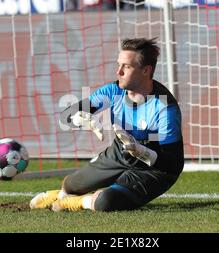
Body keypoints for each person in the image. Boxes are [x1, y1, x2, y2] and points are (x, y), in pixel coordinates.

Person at [30, 37, 184, 212]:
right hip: (119, 154)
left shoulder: (164, 107)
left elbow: (171, 163)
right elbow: (66, 115)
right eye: (118, 65)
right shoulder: (113, 91)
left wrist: (142, 152)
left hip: (153, 170)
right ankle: (62, 194)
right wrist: (80, 118)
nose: (118, 72)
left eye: (126, 66)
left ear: (146, 70)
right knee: (70, 185)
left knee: (106, 202)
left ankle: (78, 202)